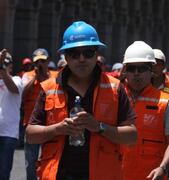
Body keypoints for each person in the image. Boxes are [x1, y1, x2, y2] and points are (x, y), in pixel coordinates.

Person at [25, 21, 137, 180]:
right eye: (74, 53)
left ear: (97, 54)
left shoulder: (115, 88)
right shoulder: (49, 88)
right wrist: (58, 129)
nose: (82, 59)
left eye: (88, 52)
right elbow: (30, 135)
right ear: (66, 57)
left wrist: (98, 126)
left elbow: (132, 136)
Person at [121, 41, 169, 180]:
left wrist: (163, 168)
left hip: (151, 176)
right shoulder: (114, 97)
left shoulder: (166, 102)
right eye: (132, 68)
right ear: (125, 71)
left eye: (142, 68)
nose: (136, 74)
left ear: (151, 70)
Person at [21, 48, 59, 180]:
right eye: (37, 62)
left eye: (43, 61)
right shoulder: (27, 76)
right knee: (30, 161)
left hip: (51, 124)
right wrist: (36, 78)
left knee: (50, 159)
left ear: (48, 61)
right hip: (32, 125)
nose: (40, 64)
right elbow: (22, 94)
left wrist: (46, 78)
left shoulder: (55, 76)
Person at [0, 49, 23, 180]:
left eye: (5, 62)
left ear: (10, 66)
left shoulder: (17, 80)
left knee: (3, 173)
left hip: (8, 134)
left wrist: (1, 67)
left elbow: (12, 89)